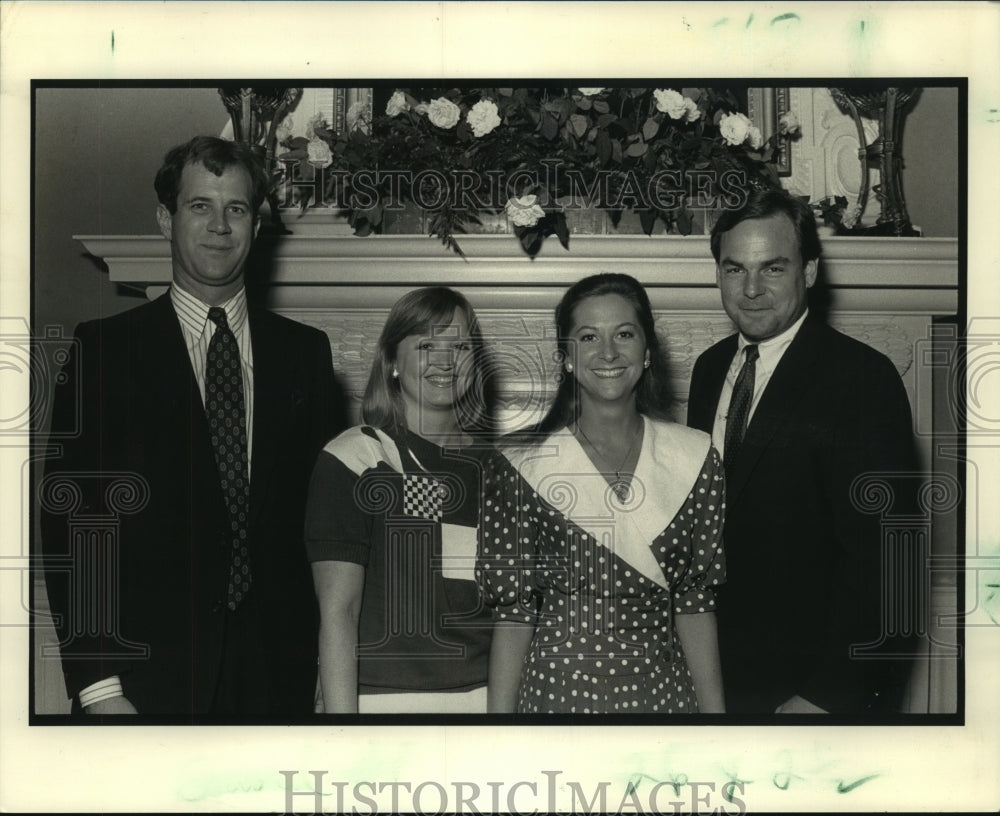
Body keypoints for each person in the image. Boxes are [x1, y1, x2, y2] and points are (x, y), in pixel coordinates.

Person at [40, 136, 338, 718]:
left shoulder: (306, 353)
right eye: (200, 206)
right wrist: (100, 688)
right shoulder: (106, 351)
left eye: (238, 208)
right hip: (144, 683)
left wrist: (331, 671)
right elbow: (75, 526)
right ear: (165, 218)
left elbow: (324, 530)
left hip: (280, 680)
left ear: (256, 224)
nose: (220, 226)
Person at [687, 187, 917, 715]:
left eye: (772, 268)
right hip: (720, 679)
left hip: (813, 691)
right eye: (733, 269)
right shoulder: (708, 370)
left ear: (808, 272)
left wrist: (824, 695)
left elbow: (887, 558)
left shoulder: (862, 378)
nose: (750, 290)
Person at [478, 273, 726, 714]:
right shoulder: (521, 465)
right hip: (558, 698)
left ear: (647, 352)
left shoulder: (696, 456)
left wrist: (716, 728)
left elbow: (695, 605)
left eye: (624, 334)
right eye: (588, 336)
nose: (608, 352)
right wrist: (499, 734)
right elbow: (514, 617)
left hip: (664, 698)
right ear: (567, 357)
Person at [305, 287, 495, 713]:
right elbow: (340, 609)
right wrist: (341, 729)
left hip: (486, 702)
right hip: (381, 703)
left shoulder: (501, 470)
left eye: (460, 346)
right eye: (426, 345)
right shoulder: (357, 458)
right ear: (392, 362)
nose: (445, 361)